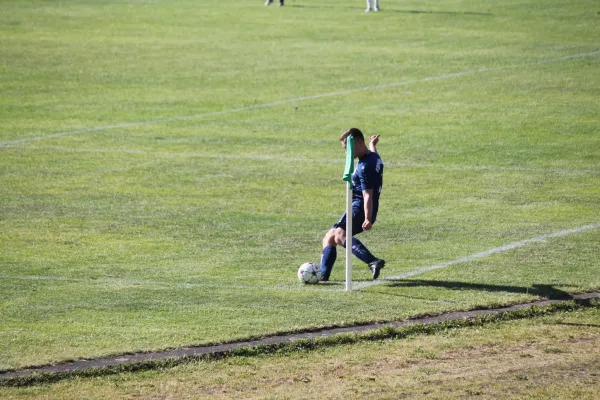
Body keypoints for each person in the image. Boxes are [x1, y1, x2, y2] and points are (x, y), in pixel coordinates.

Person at [319, 128, 385, 281]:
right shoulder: (372, 157)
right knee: (329, 237)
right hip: (358, 206)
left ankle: (373, 261)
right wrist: (372, 144)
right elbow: (375, 155)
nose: (346, 153)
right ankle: (323, 276)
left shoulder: (364, 167)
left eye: (348, 149)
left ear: (359, 143)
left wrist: (367, 218)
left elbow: (367, 194)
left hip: (360, 207)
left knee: (340, 235)